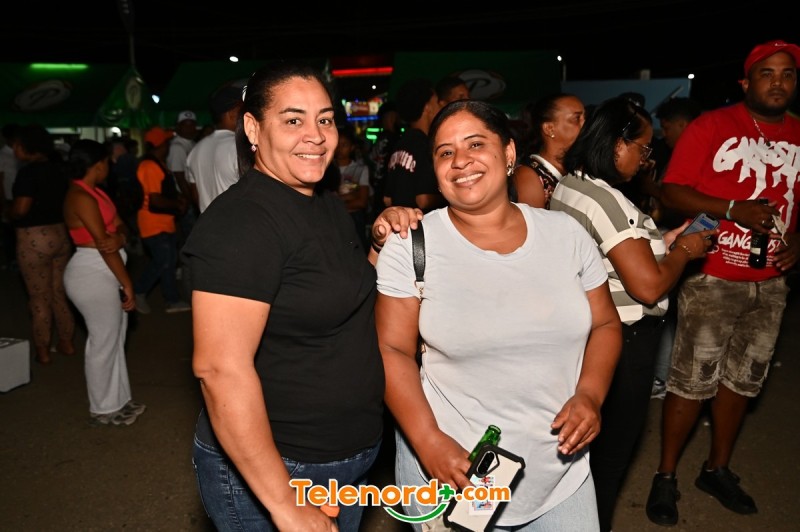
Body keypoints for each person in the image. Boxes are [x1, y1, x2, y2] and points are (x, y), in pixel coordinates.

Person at [182, 61, 422, 532]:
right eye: (293, 120)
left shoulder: (322, 202)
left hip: (343, 456)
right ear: (253, 129)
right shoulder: (241, 224)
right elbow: (219, 369)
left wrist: (380, 244)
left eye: (325, 119)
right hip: (284, 468)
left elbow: (337, 296)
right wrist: (284, 504)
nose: (315, 135)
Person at [376, 99, 623, 531]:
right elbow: (391, 349)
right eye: (446, 152)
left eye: (475, 144)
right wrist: (428, 442)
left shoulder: (566, 234)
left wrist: (590, 394)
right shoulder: (412, 245)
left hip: (560, 471)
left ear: (508, 153)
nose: (461, 161)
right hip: (456, 469)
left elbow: (605, 322)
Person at [645, 39, 800, 527]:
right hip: (712, 274)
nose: (778, 82)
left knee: (742, 382)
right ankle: (665, 476)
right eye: (767, 73)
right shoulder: (713, 126)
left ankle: (717, 470)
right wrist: (733, 209)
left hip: (771, 281)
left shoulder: (799, 132)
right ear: (746, 81)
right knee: (691, 383)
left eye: (788, 74)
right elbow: (671, 192)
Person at [549, 95, 717, 532]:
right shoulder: (607, 201)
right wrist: (684, 251)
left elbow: (615, 253)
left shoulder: (572, 185)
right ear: (616, 143)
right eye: (642, 148)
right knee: (609, 462)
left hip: (588, 329)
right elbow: (649, 286)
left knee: (586, 455)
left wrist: (662, 242)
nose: (645, 160)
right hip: (626, 339)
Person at [62, 139, 146, 426]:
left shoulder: (95, 192)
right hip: (92, 271)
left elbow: (121, 227)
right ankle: (103, 408)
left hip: (104, 268)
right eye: (107, 163)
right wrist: (127, 283)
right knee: (103, 340)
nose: (109, 168)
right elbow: (103, 245)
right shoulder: (80, 197)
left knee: (115, 337)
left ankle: (118, 400)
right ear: (98, 165)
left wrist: (119, 237)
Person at [8, 124, 75, 365]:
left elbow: (21, 209)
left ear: (27, 147)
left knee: (38, 296)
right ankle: (66, 342)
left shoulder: (27, 173)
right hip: (60, 234)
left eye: (16, 145)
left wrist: (9, 213)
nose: (14, 149)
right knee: (58, 292)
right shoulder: (59, 170)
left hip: (34, 238)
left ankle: (43, 350)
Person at [133, 126, 191, 314]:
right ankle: (138, 291)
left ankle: (172, 299)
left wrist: (178, 200)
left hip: (162, 222)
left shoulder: (157, 164)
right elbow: (155, 200)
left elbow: (165, 192)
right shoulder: (149, 166)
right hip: (153, 223)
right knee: (163, 261)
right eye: (166, 141)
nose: (169, 145)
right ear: (160, 145)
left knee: (168, 261)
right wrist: (177, 204)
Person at [511, 93, 586, 208]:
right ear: (549, 129)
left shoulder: (578, 168)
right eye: (576, 119)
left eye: (585, 118)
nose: (585, 125)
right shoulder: (527, 177)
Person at [383, 78, 444, 212]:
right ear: (428, 107)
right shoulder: (424, 145)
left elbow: (387, 199)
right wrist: (452, 196)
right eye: (437, 102)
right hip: (420, 222)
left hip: (402, 222)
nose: (441, 106)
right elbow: (423, 200)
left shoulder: (400, 144)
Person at [185, 84, 243, 213]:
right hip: (238, 222)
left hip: (208, 222)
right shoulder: (240, 146)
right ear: (233, 114)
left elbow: (195, 193)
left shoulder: (195, 150)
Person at [334, 125, 371, 250]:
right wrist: (350, 196)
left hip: (354, 218)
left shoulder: (360, 169)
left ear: (352, 147)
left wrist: (337, 200)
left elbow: (361, 201)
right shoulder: (327, 170)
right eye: (337, 145)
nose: (340, 149)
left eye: (344, 145)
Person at [368, 100, 401, 221]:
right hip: (388, 194)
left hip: (377, 191)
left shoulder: (378, 140)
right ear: (391, 116)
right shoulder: (394, 140)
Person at [1, 123, 20, 269]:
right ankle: (11, 259)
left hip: (20, 196)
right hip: (8, 197)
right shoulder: (2, 155)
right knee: (9, 230)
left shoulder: (19, 154)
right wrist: (3, 201)